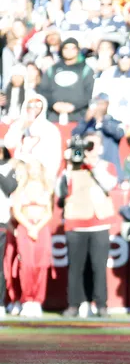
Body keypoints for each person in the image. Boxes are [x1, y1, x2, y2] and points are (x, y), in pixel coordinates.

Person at [56, 132, 118, 318]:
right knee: (75, 267)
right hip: (75, 222)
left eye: (92, 146)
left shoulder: (106, 166)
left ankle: (101, 304)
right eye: (86, 145)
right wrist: (69, 164)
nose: (89, 150)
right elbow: (59, 191)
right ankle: (74, 304)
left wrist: (92, 164)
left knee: (99, 267)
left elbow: (109, 184)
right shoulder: (70, 167)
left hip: (98, 223)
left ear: (99, 148)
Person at [11, 160, 53, 318]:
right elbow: (17, 211)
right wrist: (29, 227)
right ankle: (27, 299)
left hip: (41, 229)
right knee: (27, 264)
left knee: (41, 265)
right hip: (25, 228)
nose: (34, 171)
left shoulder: (46, 188)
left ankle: (37, 301)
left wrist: (37, 227)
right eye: (32, 168)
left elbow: (49, 212)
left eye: (37, 168)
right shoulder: (20, 189)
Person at [3, 94, 62, 184]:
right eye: (30, 105)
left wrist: (49, 175)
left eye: (38, 105)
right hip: (19, 168)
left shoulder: (50, 128)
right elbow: (8, 143)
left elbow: (55, 155)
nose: (33, 108)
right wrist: (22, 126)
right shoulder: (18, 124)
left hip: (40, 168)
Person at [38, 37, 94, 123]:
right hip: (53, 117)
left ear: (77, 50)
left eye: (73, 48)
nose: (69, 51)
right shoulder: (52, 70)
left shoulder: (85, 70)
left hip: (78, 117)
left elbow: (89, 93)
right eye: (66, 48)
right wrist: (53, 104)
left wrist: (74, 106)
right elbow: (43, 90)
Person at [72, 93, 125, 181]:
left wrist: (102, 120)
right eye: (96, 104)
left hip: (109, 170)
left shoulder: (114, 123)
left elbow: (119, 133)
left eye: (101, 104)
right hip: (89, 170)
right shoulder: (87, 125)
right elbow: (74, 136)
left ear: (107, 104)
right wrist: (85, 121)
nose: (98, 107)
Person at [0, 145, 17, 318]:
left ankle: (0, 303)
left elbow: (9, 187)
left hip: (0, 223)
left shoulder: (9, 168)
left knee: (0, 267)